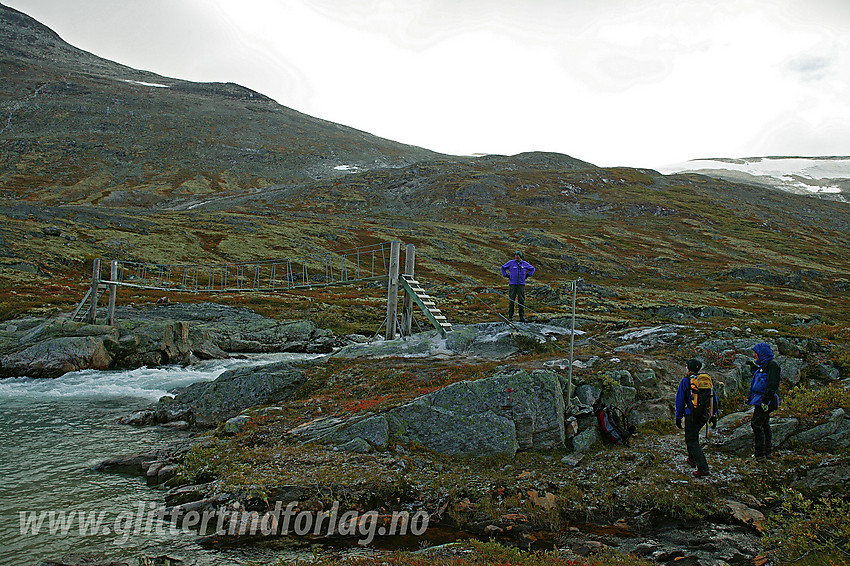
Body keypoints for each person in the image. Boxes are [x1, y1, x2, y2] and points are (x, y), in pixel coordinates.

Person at [675, 359, 718, 478]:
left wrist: (678, 417)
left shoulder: (685, 381)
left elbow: (680, 400)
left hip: (691, 414)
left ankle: (702, 467)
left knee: (692, 440)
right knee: (692, 436)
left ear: (689, 368)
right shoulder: (705, 381)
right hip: (703, 415)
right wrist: (713, 416)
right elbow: (713, 398)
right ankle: (692, 459)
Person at [747, 342, 781, 459]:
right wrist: (753, 367)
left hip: (765, 400)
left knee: (756, 424)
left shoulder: (772, 365)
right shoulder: (764, 365)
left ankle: (760, 453)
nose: (755, 355)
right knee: (764, 424)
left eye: (756, 353)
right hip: (761, 400)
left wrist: (766, 400)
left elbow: (772, 384)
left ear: (762, 353)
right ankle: (767, 451)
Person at [500, 251, 535, 322]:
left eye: (518, 255)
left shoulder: (525, 264)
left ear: (520, 256)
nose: (516, 256)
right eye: (515, 255)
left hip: (521, 285)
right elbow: (502, 268)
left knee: (521, 301)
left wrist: (528, 275)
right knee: (511, 300)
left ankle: (521, 317)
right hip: (512, 284)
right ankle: (510, 317)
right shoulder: (511, 263)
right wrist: (506, 275)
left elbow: (532, 269)